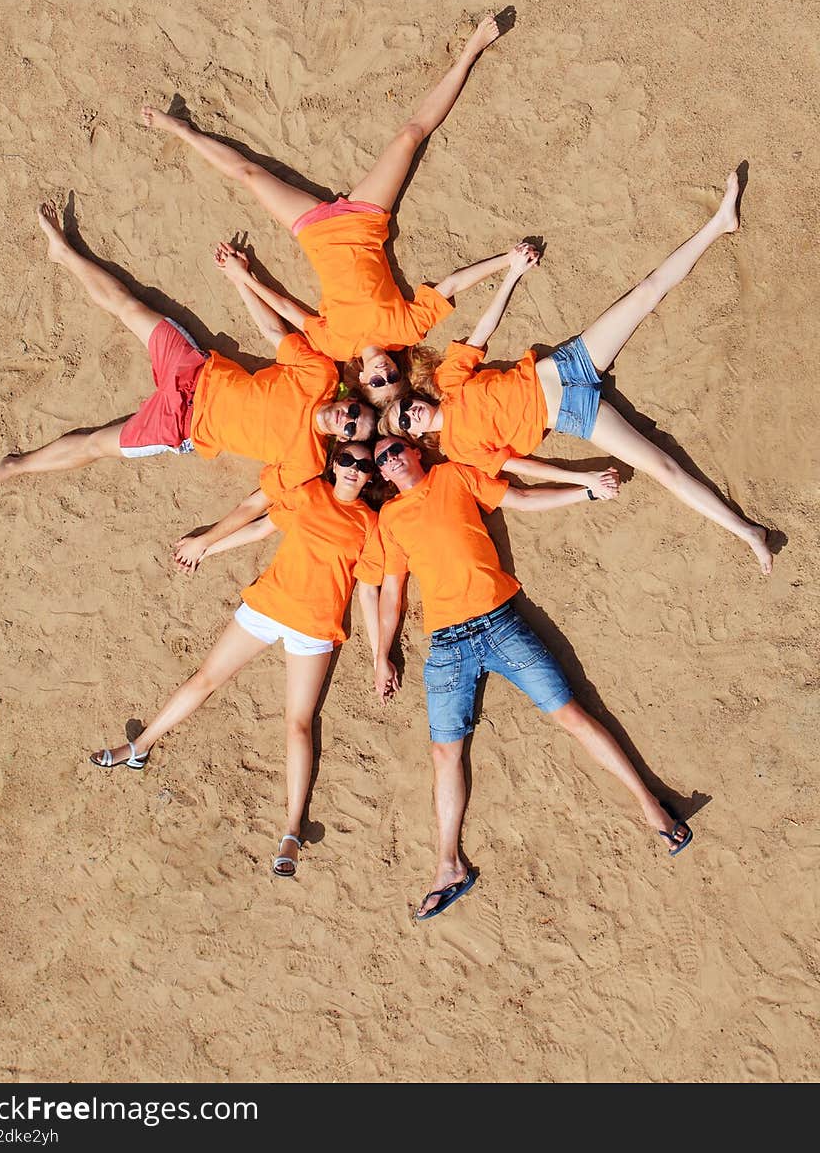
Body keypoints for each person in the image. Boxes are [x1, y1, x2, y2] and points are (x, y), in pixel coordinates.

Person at [381, 173, 773, 573]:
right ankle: (747, 533)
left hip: (567, 364)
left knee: (645, 293)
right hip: (573, 412)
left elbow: (484, 330)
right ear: (413, 435)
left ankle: (720, 222)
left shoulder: (449, 382)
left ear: (416, 396)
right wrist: (583, 481)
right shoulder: (459, 450)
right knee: (663, 468)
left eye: (406, 405)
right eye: (405, 421)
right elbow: (522, 467)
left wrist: (512, 274)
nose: (412, 413)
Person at [371, 436, 693, 921]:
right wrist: (381, 654)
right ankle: (447, 865)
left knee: (572, 715)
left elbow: (519, 499)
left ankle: (651, 806)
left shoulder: (454, 475)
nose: (391, 459)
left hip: (498, 623)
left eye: (396, 449)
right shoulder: (390, 519)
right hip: (446, 645)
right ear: (382, 474)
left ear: (416, 452)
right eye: (382, 459)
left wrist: (585, 489)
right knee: (444, 752)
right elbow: (391, 592)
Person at [142, 14, 520, 408]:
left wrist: (244, 278)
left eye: (377, 383)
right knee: (410, 135)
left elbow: (287, 310)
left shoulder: (336, 347)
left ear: (361, 382)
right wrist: (506, 262)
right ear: (400, 371)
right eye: (392, 377)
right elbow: (454, 285)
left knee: (250, 175)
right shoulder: (408, 331)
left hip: (315, 233)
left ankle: (182, 131)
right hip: (366, 220)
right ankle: (469, 52)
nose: (382, 372)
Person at [90, 442, 384, 879]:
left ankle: (290, 830)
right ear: (334, 462)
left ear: (370, 477)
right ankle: (140, 745)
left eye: (362, 466)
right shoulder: (309, 494)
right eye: (346, 460)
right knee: (205, 678)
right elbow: (261, 529)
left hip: (315, 628)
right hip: (266, 607)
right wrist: (205, 549)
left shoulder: (370, 524)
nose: (353, 469)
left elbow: (367, 591)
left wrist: (381, 656)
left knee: (298, 723)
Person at [0, 205, 375, 500]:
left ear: (342, 441)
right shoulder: (320, 377)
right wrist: (240, 280)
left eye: (352, 429)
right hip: (194, 369)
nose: (349, 419)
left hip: (181, 424)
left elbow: (261, 500)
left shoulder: (306, 461)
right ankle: (65, 255)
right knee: (129, 308)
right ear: (352, 399)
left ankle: (16, 466)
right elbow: (273, 331)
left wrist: (209, 542)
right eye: (356, 411)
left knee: (95, 444)